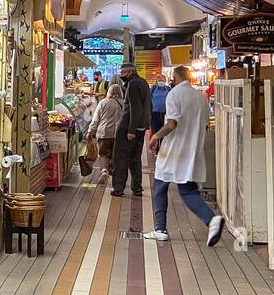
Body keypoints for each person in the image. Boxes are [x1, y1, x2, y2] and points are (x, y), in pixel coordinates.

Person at [143, 64, 224, 246]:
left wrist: (155, 136)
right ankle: (211, 219)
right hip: (192, 150)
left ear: (175, 77)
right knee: (187, 190)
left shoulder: (174, 94)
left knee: (159, 187)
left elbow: (172, 124)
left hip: (173, 150)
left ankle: (160, 229)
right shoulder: (201, 97)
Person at [110, 61, 150, 197]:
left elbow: (135, 107)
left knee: (120, 158)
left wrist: (131, 130)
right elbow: (147, 105)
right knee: (135, 158)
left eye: (122, 73)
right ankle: (137, 187)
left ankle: (118, 188)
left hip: (128, 127)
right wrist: (144, 125)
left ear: (129, 72)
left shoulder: (132, 84)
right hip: (141, 127)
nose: (121, 75)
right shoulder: (143, 82)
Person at [87, 78, 124, 179]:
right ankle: (116, 174)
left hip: (104, 133)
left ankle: (104, 170)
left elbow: (96, 119)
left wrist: (91, 131)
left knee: (103, 153)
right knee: (117, 155)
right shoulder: (124, 103)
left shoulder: (103, 102)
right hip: (119, 134)